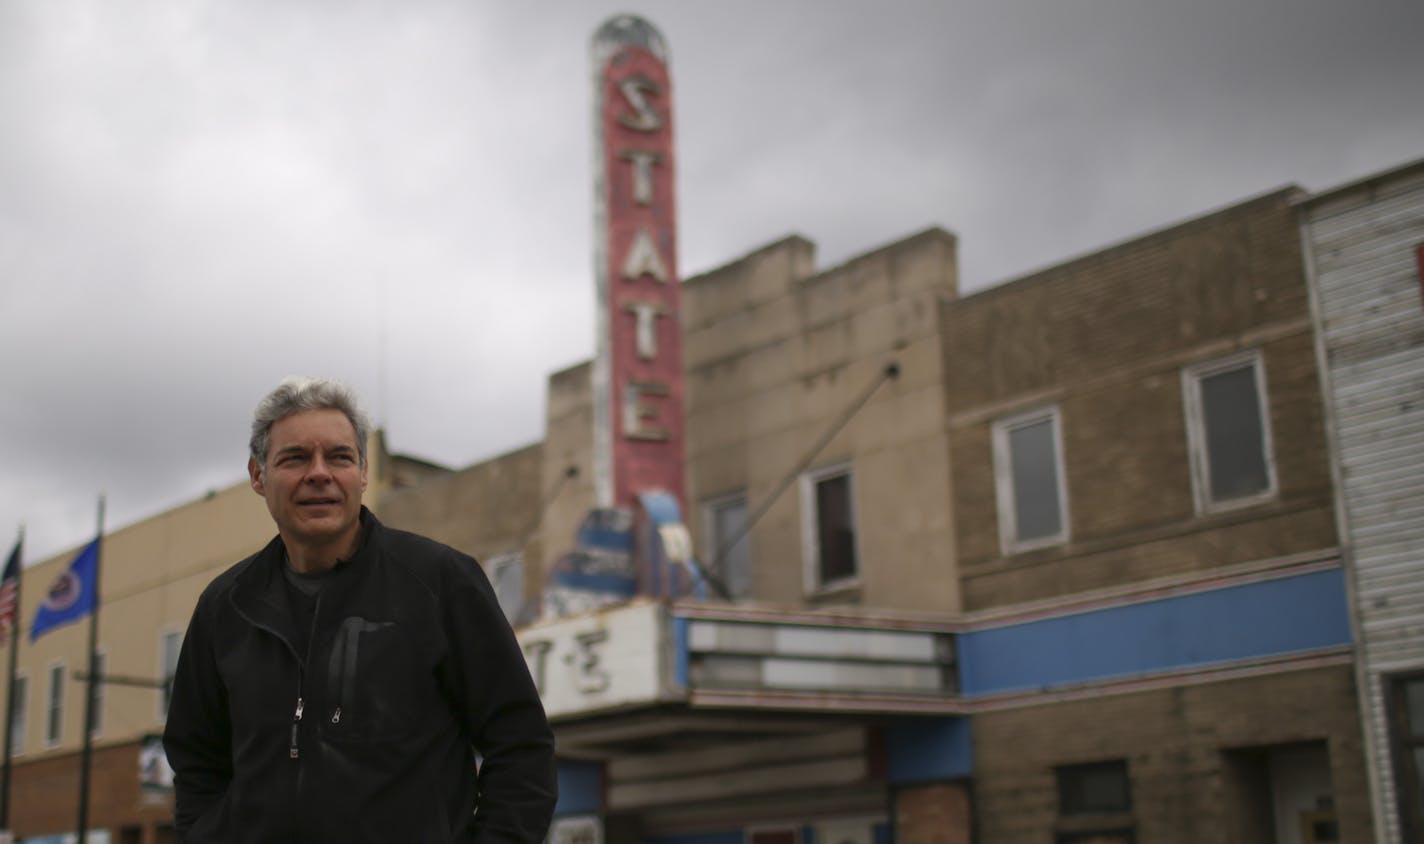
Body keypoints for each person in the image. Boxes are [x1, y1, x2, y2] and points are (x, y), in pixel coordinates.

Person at [163, 377, 556, 842]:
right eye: (294, 458)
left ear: (363, 473)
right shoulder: (224, 607)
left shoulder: (441, 582)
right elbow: (196, 764)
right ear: (258, 474)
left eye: (339, 456)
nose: (319, 473)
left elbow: (521, 746)